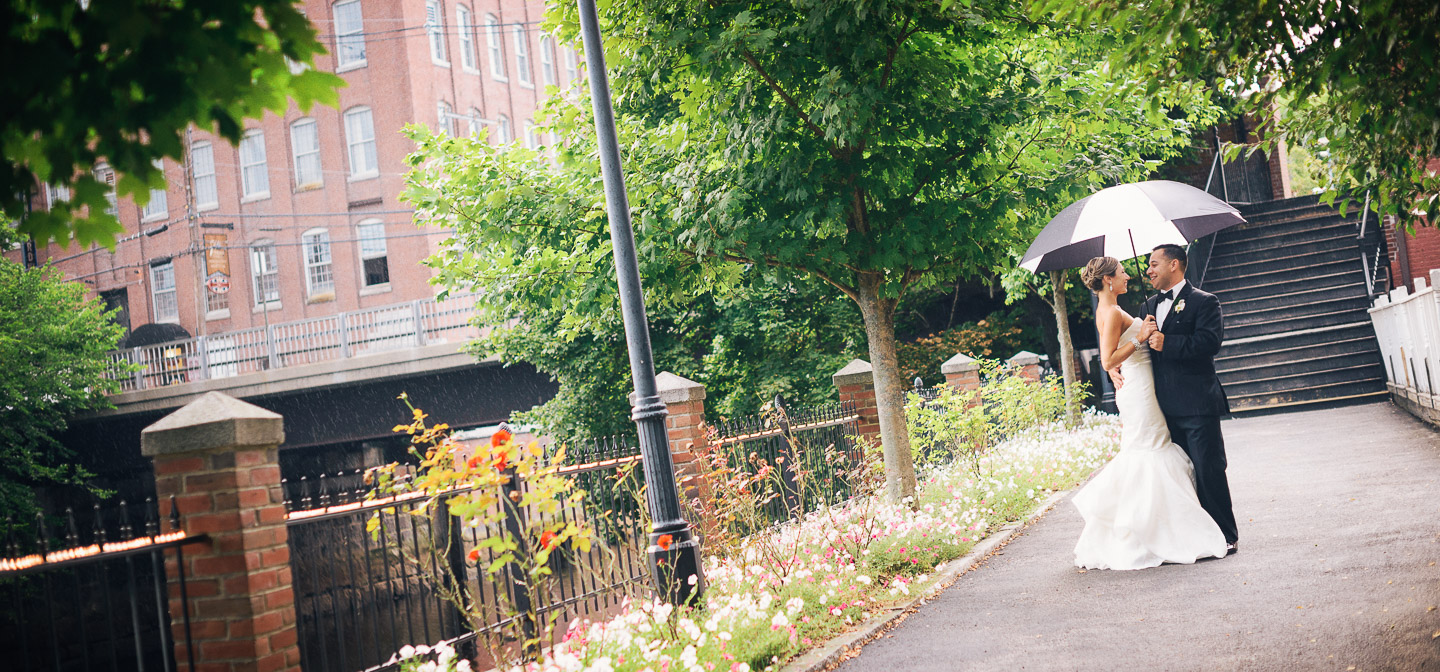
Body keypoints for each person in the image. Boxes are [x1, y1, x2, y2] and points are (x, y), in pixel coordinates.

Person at [1071, 255, 1228, 570]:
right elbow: (1106, 359)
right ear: (1107, 280)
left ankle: (1152, 527)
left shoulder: (1110, 310)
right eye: (1122, 272)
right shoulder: (1112, 312)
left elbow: (1112, 356)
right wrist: (1139, 339)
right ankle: (1156, 532)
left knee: (1148, 449)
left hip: (1140, 385)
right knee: (1150, 451)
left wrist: (1123, 357)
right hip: (1139, 391)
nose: (1128, 275)